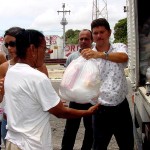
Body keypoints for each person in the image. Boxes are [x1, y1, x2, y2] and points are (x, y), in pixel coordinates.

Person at [1, 29, 99, 150]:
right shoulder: (37, 78)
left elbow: (8, 113)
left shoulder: (11, 72)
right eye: (44, 48)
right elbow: (61, 112)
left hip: (13, 142)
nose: (45, 52)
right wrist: (88, 112)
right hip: (32, 145)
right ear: (32, 49)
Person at [81, 18, 134, 150]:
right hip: (100, 110)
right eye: (95, 33)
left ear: (109, 33)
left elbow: (124, 58)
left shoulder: (119, 47)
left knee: (127, 145)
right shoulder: (87, 56)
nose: (99, 36)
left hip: (121, 107)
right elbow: (84, 82)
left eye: (102, 32)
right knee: (98, 146)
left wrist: (99, 55)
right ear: (92, 36)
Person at [0, 27, 49, 147]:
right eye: (7, 45)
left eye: (13, 44)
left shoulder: (38, 66)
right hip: (9, 123)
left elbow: (46, 97)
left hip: (32, 125)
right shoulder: (4, 68)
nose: (9, 48)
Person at [61, 29, 94, 150]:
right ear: (78, 40)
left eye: (86, 39)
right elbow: (67, 78)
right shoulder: (72, 58)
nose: (84, 41)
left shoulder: (96, 56)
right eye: (81, 39)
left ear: (91, 40)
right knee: (70, 129)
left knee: (90, 129)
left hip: (91, 100)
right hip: (75, 100)